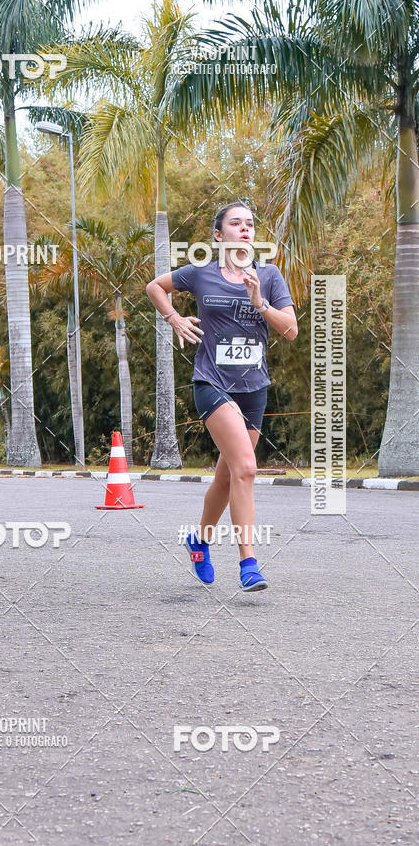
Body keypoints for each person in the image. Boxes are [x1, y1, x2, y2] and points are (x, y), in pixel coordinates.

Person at [146, 202, 297, 590]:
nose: (245, 229)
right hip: (211, 382)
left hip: (254, 389)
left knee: (228, 476)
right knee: (246, 467)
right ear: (219, 235)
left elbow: (291, 330)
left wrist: (260, 302)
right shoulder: (201, 273)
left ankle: (199, 541)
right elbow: (155, 286)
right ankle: (249, 564)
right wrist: (173, 317)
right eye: (235, 223)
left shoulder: (269, 275)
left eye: (249, 224)